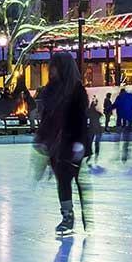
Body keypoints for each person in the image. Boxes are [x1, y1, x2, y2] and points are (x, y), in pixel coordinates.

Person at [34, 53, 90, 238]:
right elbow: (47, 119)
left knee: (67, 178)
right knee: (62, 180)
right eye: (51, 67)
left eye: (54, 66)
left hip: (72, 141)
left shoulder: (77, 90)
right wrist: (41, 139)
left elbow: (81, 119)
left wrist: (79, 145)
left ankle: (71, 216)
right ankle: (67, 216)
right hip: (55, 143)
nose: (51, 70)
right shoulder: (49, 90)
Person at [114, 83, 132, 162]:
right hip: (130, 117)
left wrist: (108, 109)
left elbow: (114, 105)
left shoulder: (120, 97)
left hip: (123, 116)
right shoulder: (130, 96)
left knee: (125, 131)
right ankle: (126, 146)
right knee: (127, 131)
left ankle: (124, 146)